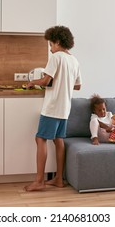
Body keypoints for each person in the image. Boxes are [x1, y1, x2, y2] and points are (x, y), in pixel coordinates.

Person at [24, 25, 82, 192]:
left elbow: (45, 81)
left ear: (57, 42)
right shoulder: (74, 60)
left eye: (50, 45)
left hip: (52, 107)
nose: (50, 49)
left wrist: (31, 83)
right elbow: (78, 86)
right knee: (58, 140)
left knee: (40, 138)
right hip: (64, 108)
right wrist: (64, 83)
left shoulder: (56, 57)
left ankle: (39, 180)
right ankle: (58, 179)